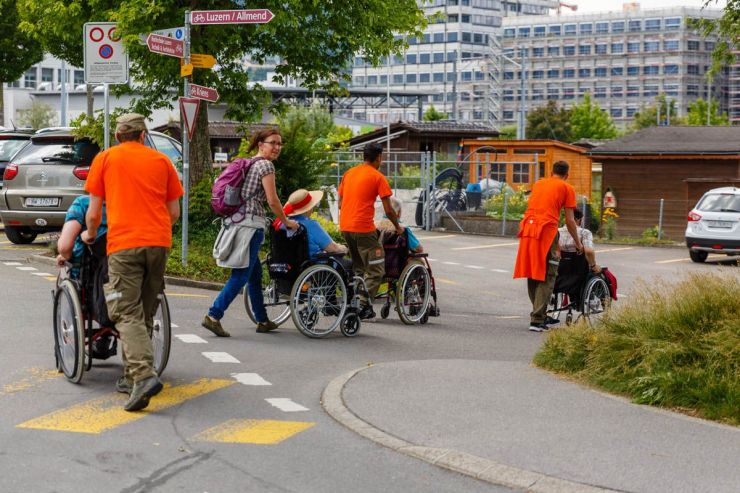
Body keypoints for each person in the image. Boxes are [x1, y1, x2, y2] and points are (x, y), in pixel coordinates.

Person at [83, 113, 183, 412]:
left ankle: (142, 375)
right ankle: (129, 377)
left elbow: (93, 213)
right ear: (143, 135)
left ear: (118, 136)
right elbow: (174, 211)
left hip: (124, 244)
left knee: (126, 312)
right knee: (145, 309)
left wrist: (90, 235)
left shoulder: (106, 159)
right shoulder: (162, 162)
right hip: (159, 243)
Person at [202, 129, 298, 338]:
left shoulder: (248, 163)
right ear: (260, 144)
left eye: (280, 144)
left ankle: (262, 320)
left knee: (254, 275)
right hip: (250, 226)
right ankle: (213, 315)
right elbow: (272, 201)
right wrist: (286, 222)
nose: (277, 147)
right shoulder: (265, 165)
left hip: (239, 221)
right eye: (273, 143)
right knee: (242, 274)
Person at [513, 160, 583, 333]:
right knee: (548, 274)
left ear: (552, 172)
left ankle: (541, 314)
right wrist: (578, 242)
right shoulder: (566, 188)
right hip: (546, 230)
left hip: (528, 228)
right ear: (567, 175)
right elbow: (569, 220)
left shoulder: (539, 184)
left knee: (533, 272)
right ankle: (537, 320)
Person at [338, 142, 403, 320]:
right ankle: (363, 304)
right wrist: (397, 227)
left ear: (363, 156)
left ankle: (352, 302)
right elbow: (389, 210)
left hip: (345, 227)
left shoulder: (349, 173)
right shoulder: (378, 177)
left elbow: (340, 203)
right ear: (379, 157)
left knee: (358, 268)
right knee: (376, 269)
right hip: (363, 229)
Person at [57, 195, 112, 360]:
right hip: (125, 271)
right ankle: (106, 336)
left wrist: (64, 255)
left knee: (65, 272)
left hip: (88, 277)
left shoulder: (83, 204)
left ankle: (75, 340)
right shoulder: (128, 202)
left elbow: (65, 247)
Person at [275, 188, 347, 258]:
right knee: (349, 265)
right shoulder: (310, 225)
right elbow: (333, 248)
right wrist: (344, 248)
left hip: (291, 264)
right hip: (314, 263)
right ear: (307, 210)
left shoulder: (282, 224)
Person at [56, 195, 108, 273]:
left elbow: (64, 247)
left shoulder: (82, 203)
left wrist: (66, 256)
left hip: (87, 272)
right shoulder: (127, 204)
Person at [558, 208, 600, 273]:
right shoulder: (584, 232)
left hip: (559, 269)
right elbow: (589, 252)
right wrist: (593, 266)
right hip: (578, 271)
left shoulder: (557, 231)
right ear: (578, 219)